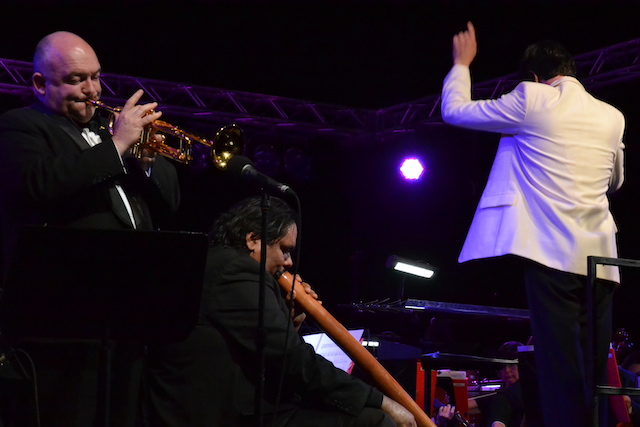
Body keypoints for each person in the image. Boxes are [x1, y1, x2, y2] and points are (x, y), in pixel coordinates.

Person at [440, 22, 625, 427]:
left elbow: (454, 111)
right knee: (593, 373)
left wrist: (462, 64)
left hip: (552, 254)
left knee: (559, 371)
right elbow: (615, 180)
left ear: (536, 77)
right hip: (602, 261)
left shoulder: (532, 98)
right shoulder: (612, 115)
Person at [0, 31, 180, 426]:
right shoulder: (20, 126)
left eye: (96, 77)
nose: (91, 89)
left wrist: (147, 161)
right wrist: (116, 147)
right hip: (63, 318)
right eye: (76, 79)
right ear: (39, 83)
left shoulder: (107, 130)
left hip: (128, 311)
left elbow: (171, 204)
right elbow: (40, 184)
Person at [145, 196, 417, 426]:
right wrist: (380, 400)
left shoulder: (222, 265)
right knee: (375, 421)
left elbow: (266, 349)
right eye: (284, 250)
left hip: (240, 405)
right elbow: (290, 358)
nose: (288, 263)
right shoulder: (236, 270)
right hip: (223, 414)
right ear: (253, 239)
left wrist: (292, 318)